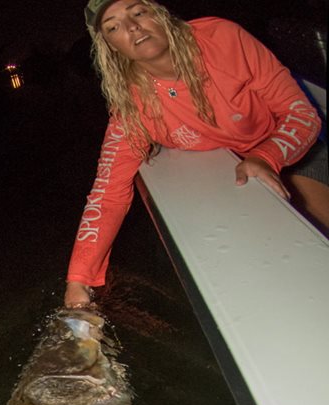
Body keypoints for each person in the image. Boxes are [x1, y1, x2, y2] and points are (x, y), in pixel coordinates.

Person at [65, 1, 329, 308]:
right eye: (113, 26)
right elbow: (107, 194)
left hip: (293, 153)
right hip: (232, 181)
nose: (132, 27)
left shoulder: (223, 39)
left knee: (311, 227)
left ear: (160, 15)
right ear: (110, 47)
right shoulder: (131, 107)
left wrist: (266, 156)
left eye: (138, 12)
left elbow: (301, 114)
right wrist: (78, 282)